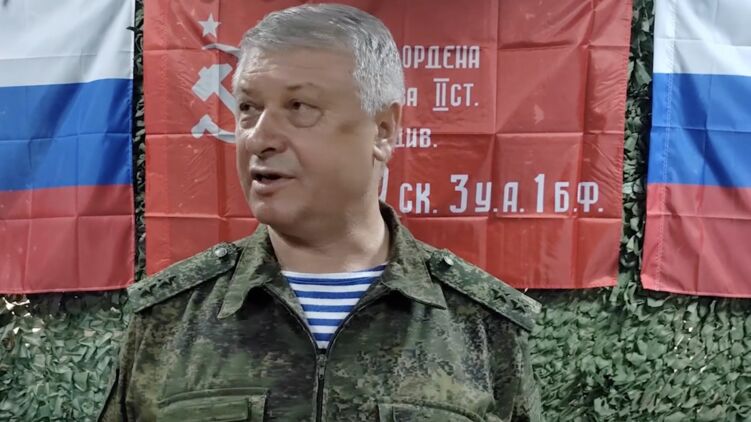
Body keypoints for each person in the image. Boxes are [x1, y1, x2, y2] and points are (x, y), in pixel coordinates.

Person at [98, 3, 543, 421]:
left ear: (382, 130)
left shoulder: (481, 326)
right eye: (248, 109)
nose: (258, 138)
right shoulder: (168, 320)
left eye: (300, 108)